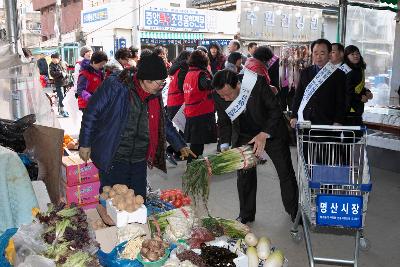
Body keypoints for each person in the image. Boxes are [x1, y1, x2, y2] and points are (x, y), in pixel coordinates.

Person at [78, 54, 195, 200]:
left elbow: (162, 121)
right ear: (145, 80)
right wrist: (85, 143)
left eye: (163, 83)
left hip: (139, 158)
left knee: (138, 201)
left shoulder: (154, 93)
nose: (161, 87)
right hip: (115, 155)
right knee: (115, 203)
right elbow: (91, 113)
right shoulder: (116, 86)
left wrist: (179, 144)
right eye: (159, 83)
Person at [212, 69, 299, 223]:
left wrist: (264, 133)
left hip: (270, 132)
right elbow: (224, 120)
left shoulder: (256, 83)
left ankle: (294, 212)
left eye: (229, 94)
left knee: (285, 172)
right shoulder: (219, 94)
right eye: (222, 96)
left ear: (238, 84)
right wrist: (225, 145)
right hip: (244, 134)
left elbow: (275, 110)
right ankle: (246, 214)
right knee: (245, 175)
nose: (226, 99)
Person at [290, 39, 347, 127]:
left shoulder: (339, 75)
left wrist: (338, 121)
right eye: (315, 53)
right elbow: (298, 96)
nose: (318, 57)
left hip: (327, 123)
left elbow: (341, 101)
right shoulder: (305, 72)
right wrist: (294, 116)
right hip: (305, 121)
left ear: (329, 54)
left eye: (322, 53)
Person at [183, 50, 217, 163]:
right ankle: (192, 167)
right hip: (201, 112)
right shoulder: (201, 74)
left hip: (191, 112)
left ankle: (194, 165)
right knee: (197, 145)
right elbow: (207, 85)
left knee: (196, 143)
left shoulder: (189, 73)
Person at [344, 45, 373, 126]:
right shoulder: (346, 69)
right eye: (352, 54)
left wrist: (367, 92)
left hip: (358, 108)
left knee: (356, 135)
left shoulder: (359, 68)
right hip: (349, 108)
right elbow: (347, 90)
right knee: (351, 134)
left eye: (357, 53)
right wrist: (360, 97)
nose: (356, 56)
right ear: (346, 56)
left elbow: (358, 87)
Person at [167, 50, 191, 119]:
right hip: (180, 101)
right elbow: (181, 87)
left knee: (172, 127)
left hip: (170, 101)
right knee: (182, 128)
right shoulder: (183, 68)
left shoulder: (174, 68)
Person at [49, 53, 69, 117]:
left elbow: (67, 68)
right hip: (58, 83)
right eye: (52, 59)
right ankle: (62, 111)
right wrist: (61, 73)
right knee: (61, 97)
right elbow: (52, 74)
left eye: (55, 59)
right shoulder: (51, 65)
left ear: (58, 59)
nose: (53, 60)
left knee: (65, 97)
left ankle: (65, 110)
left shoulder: (61, 63)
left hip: (65, 83)